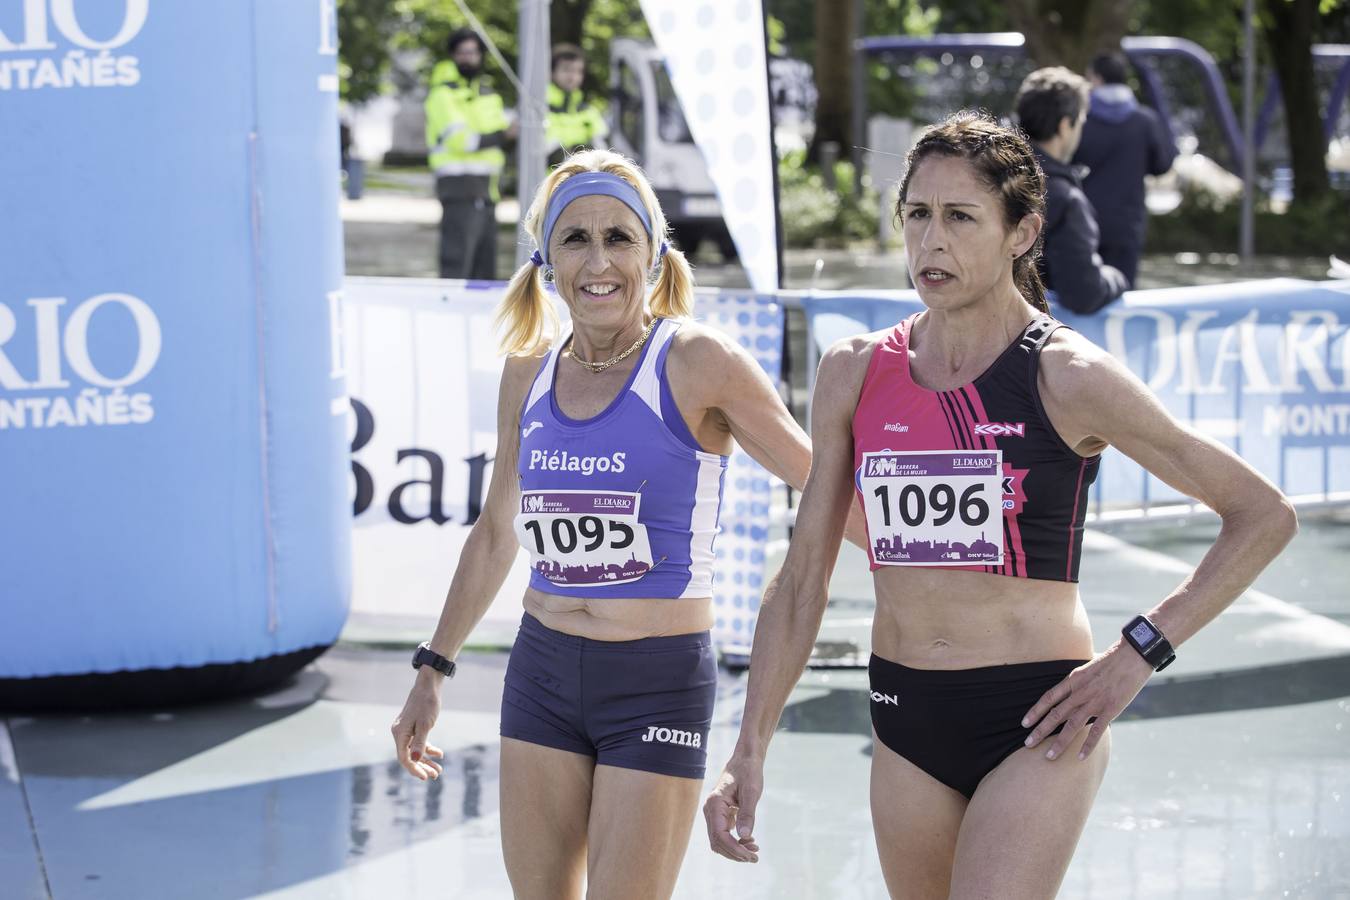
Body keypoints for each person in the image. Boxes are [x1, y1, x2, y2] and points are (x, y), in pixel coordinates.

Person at [703, 111, 1296, 899]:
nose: (931, 242)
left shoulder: (1067, 375)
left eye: (959, 217)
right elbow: (803, 575)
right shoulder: (854, 373)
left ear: (1022, 232)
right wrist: (749, 746)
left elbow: (1262, 515)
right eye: (917, 214)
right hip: (905, 715)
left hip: (1038, 719)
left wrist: (1135, 657)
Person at [391, 148, 861, 900]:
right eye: (576, 239)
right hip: (541, 672)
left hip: (655, 681)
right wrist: (431, 669)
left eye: (620, 238)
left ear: (654, 253)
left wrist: (951, 575)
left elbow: (826, 486)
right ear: (547, 260)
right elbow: (493, 534)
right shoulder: (529, 370)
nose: (598, 261)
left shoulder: (699, 361)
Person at [1015, 67, 1128, 314]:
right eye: (1082, 122)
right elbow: (1084, 293)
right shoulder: (1065, 200)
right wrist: (1116, 277)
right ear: (1066, 125)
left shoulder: (990, 180)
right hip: (1033, 343)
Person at [1073, 52, 1179, 288]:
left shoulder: (1081, 121)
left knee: (1082, 290)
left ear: (1097, 79)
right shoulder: (1145, 121)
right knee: (1123, 288)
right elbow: (1163, 165)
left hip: (1083, 217)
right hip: (1128, 220)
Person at [425, 27, 516, 280]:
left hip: (487, 189)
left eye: (474, 52)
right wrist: (504, 135)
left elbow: (503, 137)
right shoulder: (443, 94)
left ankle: (480, 320)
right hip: (459, 187)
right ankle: (450, 318)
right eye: (463, 52)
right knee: (458, 266)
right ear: (453, 55)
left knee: (484, 269)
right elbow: (460, 141)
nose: (469, 57)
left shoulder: (488, 95)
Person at [545, 43, 609, 168]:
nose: (572, 77)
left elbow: (603, 154)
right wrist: (581, 152)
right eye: (566, 70)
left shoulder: (590, 112)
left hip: (581, 184)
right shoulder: (538, 109)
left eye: (578, 71)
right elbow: (542, 152)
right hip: (546, 184)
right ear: (551, 72)